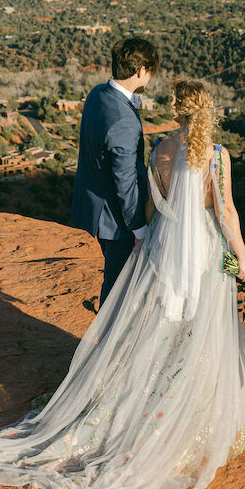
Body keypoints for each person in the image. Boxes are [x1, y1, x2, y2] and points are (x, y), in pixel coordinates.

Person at [0, 79, 245, 489]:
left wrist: (148, 244)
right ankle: (180, 408)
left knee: (154, 327)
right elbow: (225, 211)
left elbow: (153, 206)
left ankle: (137, 397)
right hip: (204, 253)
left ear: (177, 113)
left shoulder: (160, 150)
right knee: (197, 330)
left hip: (162, 248)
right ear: (208, 112)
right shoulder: (216, 156)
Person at [71, 37, 160, 307]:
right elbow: (125, 180)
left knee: (116, 281)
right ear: (141, 71)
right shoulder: (123, 119)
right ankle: (106, 345)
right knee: (118, 290)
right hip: (118, 220)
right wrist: (139, 227)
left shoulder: (98, 94)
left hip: (95, 209)